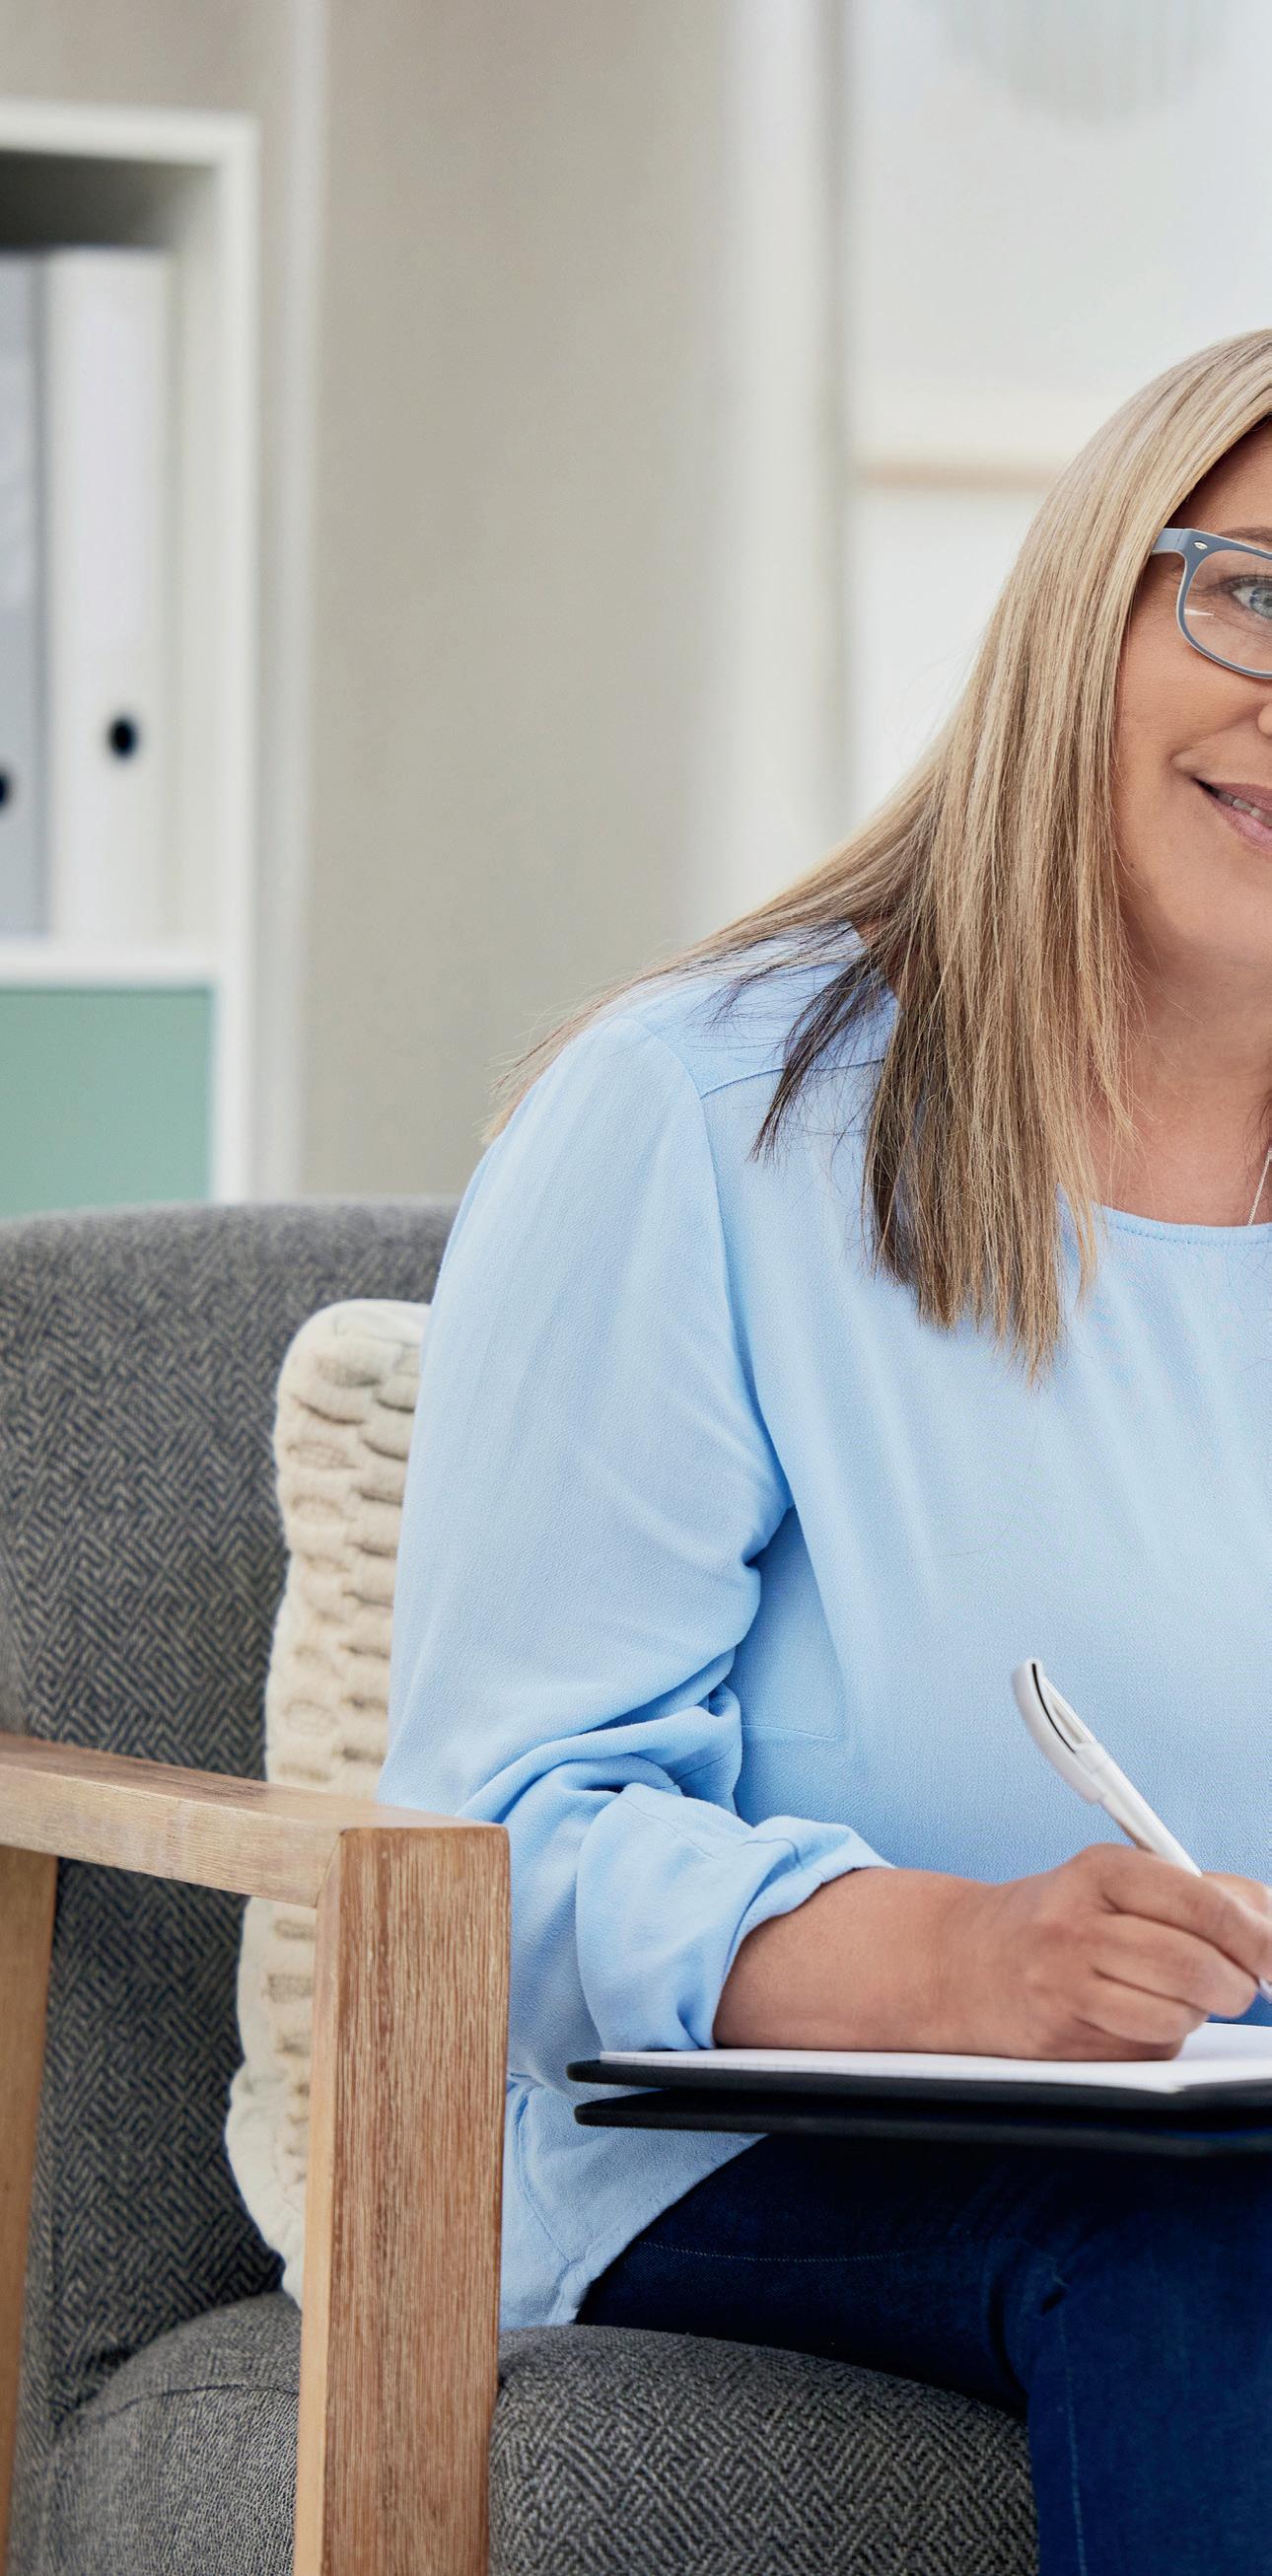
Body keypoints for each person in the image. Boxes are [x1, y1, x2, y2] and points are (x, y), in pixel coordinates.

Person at [378, 329, 1272, 2575]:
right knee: (1224, 2261)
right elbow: (502, 1840)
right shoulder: (704, 1117)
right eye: (1254, 595)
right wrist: (966, 1962)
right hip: (744, 2161)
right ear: (1091, 601)